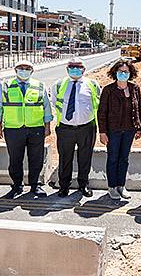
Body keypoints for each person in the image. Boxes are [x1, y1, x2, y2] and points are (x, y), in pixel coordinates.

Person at [0, 60, 53, 198]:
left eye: (27, 68)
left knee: (36, 158)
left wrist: (47, 126)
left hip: (35, 128)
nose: (24, 70)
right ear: (15, 70)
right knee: (15, 159)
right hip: (13, 128)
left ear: (32, 71)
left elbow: (46, 107)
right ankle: (17, 185)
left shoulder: (39, 85)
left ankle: (35, 185)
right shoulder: (6, 85)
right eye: (21, 68)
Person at [52, 57, 101, 198]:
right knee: (65, 158)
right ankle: (64, 186)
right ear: (67, 69)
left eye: (78, 67)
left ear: (84, 69)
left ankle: (83, 185)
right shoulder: (58, 84)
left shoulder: (92, 84)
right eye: (72, 67)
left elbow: (97, 103)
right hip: (65, 128)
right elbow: (55, 103)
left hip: (87, 127)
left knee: (85, 157)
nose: (75, 69)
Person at [97, 58, 141, 200]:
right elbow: (102, 112)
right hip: (113, 131)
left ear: (131, 73)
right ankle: (112, 187)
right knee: (112, 158)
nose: (123, 74)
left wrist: (139, 128)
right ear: (115, 72)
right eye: (120, 71)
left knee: (124, 158)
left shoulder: (134, 88)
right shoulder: (108, 90)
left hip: (129, 130)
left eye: (126, 72)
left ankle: (121, 186)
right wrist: (103, 132)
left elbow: (140, 108)